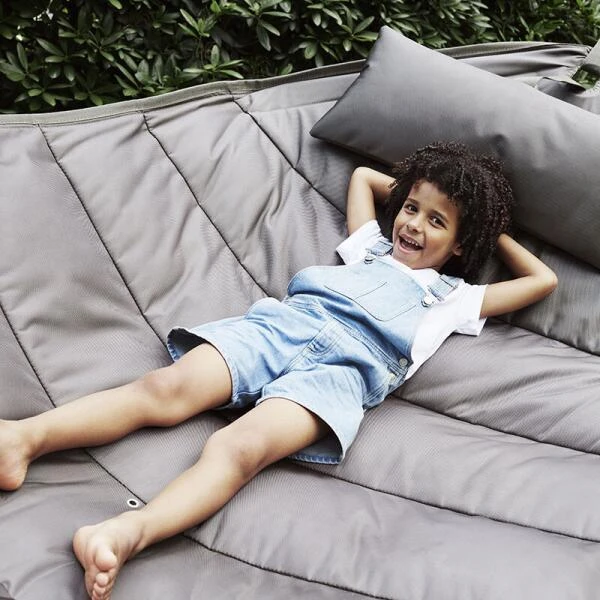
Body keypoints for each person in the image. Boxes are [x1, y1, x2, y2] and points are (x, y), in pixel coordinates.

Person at [0, 142, 557, 600]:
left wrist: (482, 230)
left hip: (338, 376)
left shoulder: (456, 298)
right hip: (283, 328)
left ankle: (124, 534)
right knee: (164, 388)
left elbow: (542, 281)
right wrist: (430, 195)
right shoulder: (370, 246)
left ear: (460, 244)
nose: (413, 225)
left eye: (436, 222)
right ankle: (24, 439)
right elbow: (364, 178)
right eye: (411, 208)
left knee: (239, 450)